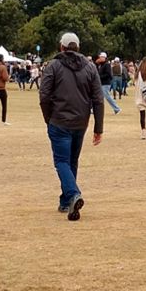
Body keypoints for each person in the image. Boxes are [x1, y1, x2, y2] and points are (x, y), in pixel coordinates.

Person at [38, 32, 104, 221]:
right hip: (80, 122)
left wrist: (48, 117)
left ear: (61, 47)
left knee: (61, 162)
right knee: (72, 161)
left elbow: (44, 95)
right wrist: (98, 127)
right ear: (78, 47)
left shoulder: (53, 66)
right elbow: (98, 99)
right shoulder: (90, 67)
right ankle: (66, 200)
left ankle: (73, 194)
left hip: (59, 121)